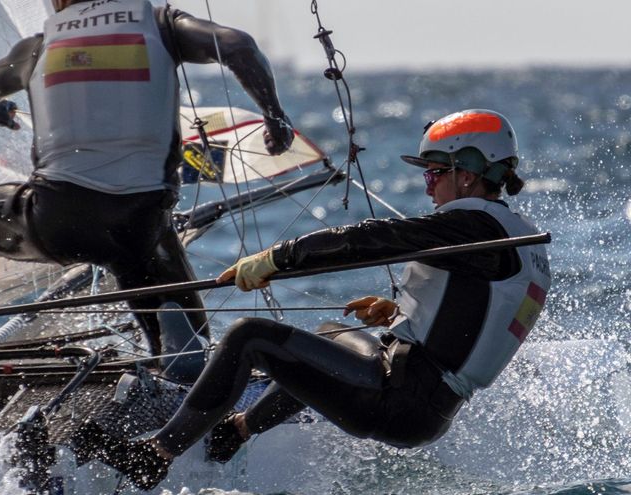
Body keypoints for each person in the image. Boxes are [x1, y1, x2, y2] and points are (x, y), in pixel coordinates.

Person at [75, 109, 552, 490]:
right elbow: (480, 315)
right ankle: (234, 431)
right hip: (425, 400)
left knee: (249, 336)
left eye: (434, 172)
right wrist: (405, 313)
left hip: (403, 399)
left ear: (467, 174)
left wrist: (276, 259)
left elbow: (372, 238)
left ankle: (153, 456)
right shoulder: (512, 236)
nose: (427, 184)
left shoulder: (475, 228)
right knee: (336, 333)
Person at [0, 0, 295, 367]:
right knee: (185, 336)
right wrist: (275, 117)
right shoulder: (162, 26)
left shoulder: (37, 48)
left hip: (54, 219)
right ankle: (187, 379)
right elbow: (238, 46)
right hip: (138, 228)